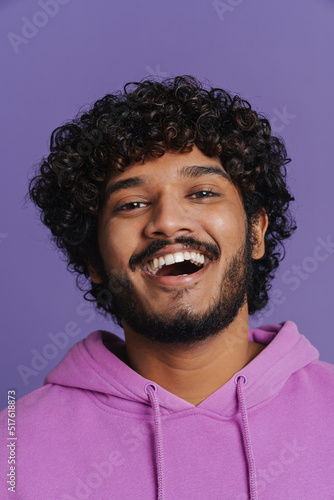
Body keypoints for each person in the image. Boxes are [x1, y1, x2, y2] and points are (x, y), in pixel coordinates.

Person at [1, 76, 333, 500]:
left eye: (202, 192)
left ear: (255, 232)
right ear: (94, 260)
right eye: (133, 203)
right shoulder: (11, 452)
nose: (167, 221)